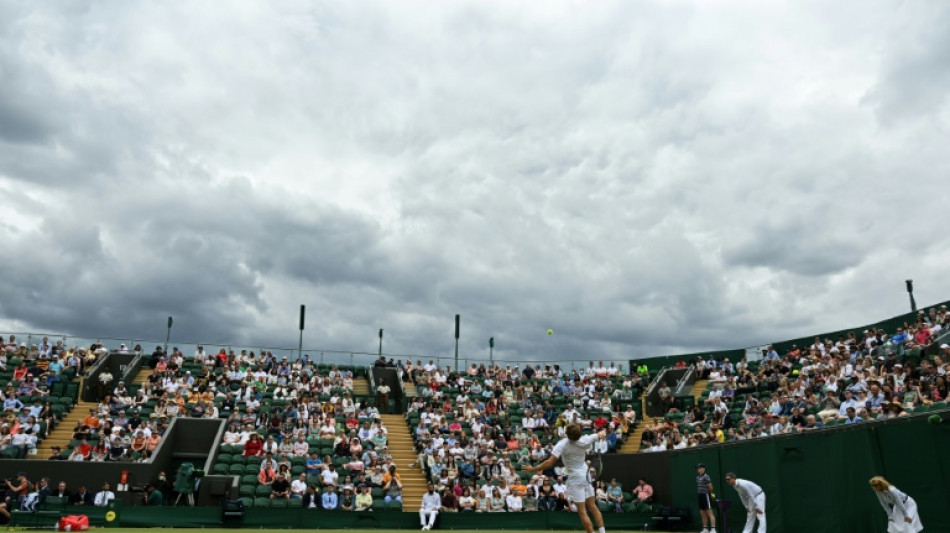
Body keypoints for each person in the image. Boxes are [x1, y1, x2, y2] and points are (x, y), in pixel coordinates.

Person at [522, 425, 607, 533]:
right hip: (586, 477)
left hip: (575, 479)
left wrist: (534, 468)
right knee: (592, 506)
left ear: (567, 434)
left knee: (582, 512)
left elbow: (549, 462)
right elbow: (601, 434)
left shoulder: (562, 444)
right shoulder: (586, 439)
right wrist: (602, 433)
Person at [696, 464, 716, 533]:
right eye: (698, 468)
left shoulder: (706, 476)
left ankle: (713, 529)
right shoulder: (698, 477)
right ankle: (705, 529)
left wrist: (710, 493)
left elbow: (710, 487)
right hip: (700, 496)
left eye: (700, 468)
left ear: (704, 469)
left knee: (710, 513)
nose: (698, 469)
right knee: (703, 514)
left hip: (706, 495)